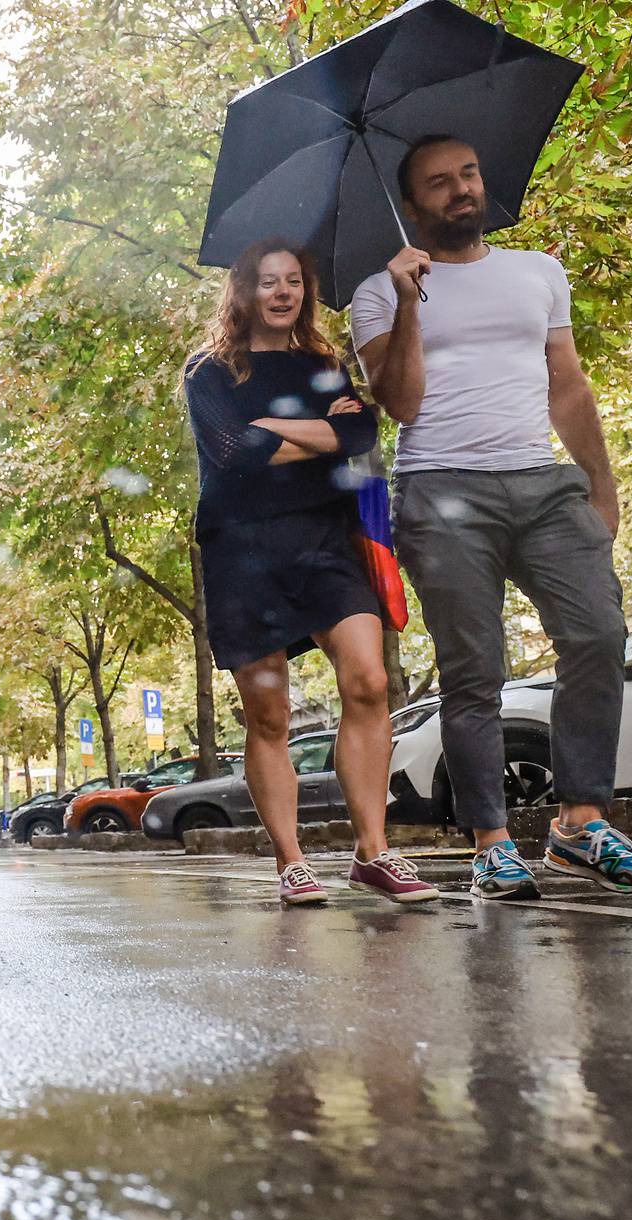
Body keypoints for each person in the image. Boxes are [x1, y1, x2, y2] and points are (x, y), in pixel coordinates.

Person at [351, 134, 632, 899]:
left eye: (468, 172)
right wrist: (405, 302)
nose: (461, 189)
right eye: (439, 182)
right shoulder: (377, 291)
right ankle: (491, 843)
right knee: (474, 675)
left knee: (599, 634)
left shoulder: (539, 272)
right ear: (411, 206)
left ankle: (580, 824)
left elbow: (568, 384)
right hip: (440, 491)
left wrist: (601, 481)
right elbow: (400, 403)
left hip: (543, 483)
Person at [184, 237, 439, 908]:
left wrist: (274, 429)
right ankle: (292, 860)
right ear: (242, 292)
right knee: (268, 715)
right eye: (267, 281)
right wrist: (312, 434)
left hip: (326, 542)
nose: (281, 292)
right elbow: (232, 453)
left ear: (305, 290)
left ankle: (374, 851)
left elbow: (360, 437)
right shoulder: (209, 370)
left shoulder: (324, 365)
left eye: (292, 280)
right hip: (242, 552)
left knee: (369, 678)